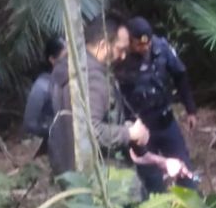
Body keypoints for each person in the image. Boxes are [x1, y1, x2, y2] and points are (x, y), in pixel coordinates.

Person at [48, 17, 149, 177]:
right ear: (103, 45)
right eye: (120, 49)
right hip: (97, 174)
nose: (123, 56)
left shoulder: (70, 67)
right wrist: (130, 133)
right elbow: (91, 130)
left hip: (68, 167)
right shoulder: (92, 78)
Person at [114, 16, 198, 194]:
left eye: (147, 43)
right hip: (141, 130)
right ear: (129, 42)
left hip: (166, 122)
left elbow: (180, 76)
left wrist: (190, 109)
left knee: (184, 170)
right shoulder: (119, 57)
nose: (145, 48)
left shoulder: (161, 48)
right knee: (152, 181)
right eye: (139, 44)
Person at [23, 36, 66, 142]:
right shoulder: (42, 86)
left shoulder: (76, 80)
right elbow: (30, 124)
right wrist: (55, 130)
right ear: (52, 59)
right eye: (66, 56)